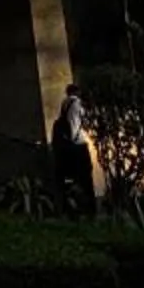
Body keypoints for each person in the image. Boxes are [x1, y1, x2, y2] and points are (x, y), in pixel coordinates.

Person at [51, 80, 93, 210]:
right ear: (77, 92)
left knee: (70, 176)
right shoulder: (77, 103)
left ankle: (70, 204)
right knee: (85, 174)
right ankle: (86, 205)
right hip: (77, 143)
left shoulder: (65, 103)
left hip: (66, 144)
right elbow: (78, 122)